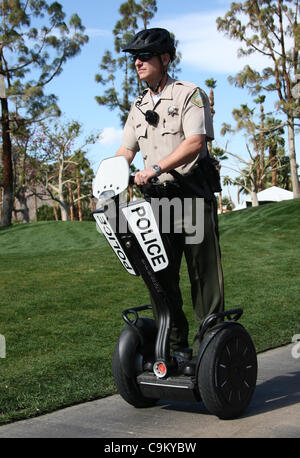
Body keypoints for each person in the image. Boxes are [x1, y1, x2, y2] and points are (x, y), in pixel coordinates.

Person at [115, 28, 224, 357]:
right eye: (134, 58)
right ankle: (174, 348)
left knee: (202, 276)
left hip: (191, 194)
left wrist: (157, 168)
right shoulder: (138, 107)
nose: (138, 62)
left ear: (165, 59)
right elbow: (126, 150)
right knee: (160, 276)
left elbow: (195, 142)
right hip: (157, 202)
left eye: (144, 56)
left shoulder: (188, 94)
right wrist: (109, 177)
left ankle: (210, 348)